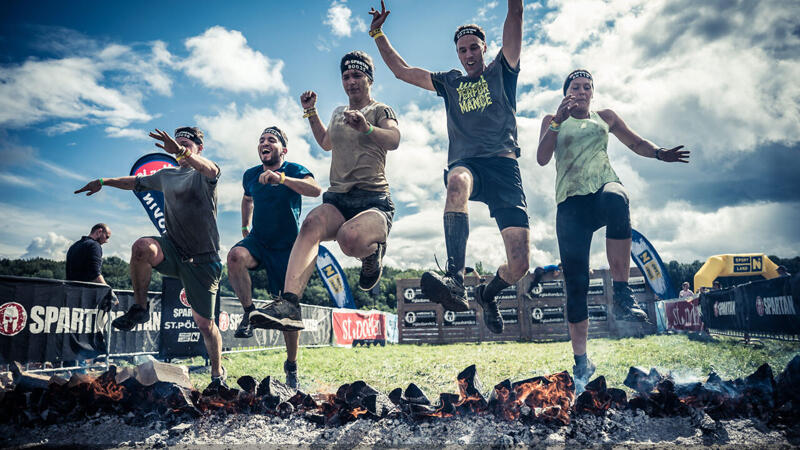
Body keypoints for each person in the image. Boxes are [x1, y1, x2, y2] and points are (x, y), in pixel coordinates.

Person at [368, 0, 528, 335]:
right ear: (457, 54)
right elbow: (403, 71)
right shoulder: (451, 82)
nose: (468, 55)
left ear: (484, 48)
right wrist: (378, 33)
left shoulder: (502, 70)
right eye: (462, 50)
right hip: (467, 163)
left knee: (519, 264)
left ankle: (487, 293)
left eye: (473, 48)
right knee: (456, 181)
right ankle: (455, 280)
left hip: (504, 168)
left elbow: (515, 16)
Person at [536, 69, 690, 384]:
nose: (581, 91)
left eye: (587, 87)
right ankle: (581, 361)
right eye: (575, 86)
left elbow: (635, 143)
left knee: (618, 198)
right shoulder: (553, 118)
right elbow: (541, 157)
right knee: (576, 285)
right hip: (570, 204)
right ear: (566, 92)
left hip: (601, 190)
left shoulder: (605, 117)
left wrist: (660, 153)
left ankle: (622, 293)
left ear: (593, 92)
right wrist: (557, 120)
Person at [249, 51, 400, 332]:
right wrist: (310, 111)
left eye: (357, 75)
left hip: (373, 200)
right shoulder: (338, 113)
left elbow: (394, 139)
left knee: (348, 238)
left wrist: (367, 128)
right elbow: (326, 141)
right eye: (346, 76)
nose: (351, 81)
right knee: (311, 224)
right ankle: (289, 304)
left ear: (369, 78)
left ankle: (372, 251)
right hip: (339, 199)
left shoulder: (380, 110)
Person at [74, 127, 227, 387]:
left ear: (199, 148)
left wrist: (179, 151)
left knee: (204, 324)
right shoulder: (166, 175)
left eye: (186, 144)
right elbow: (134, 182)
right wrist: (103, 181)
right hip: (173, 250)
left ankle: (217, 374)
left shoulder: (204, 173)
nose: (179, 148)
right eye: (176, 143)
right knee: (142, 247)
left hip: (203, 260)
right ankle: (141, 308)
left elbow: (212, 171)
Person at [227, 126, 321, 388]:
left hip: (288, 249)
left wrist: (281, 179)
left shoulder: (293, 169)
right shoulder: (250, 175)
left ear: (283, 149)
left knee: (288, 315)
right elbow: (247, 199)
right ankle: (249, 313)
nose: (264, 143)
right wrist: (245, 226)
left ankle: (291, 365)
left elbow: (315, 190)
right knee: (235, 256)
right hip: (258, 241)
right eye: (261, 140)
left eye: (271, 140)